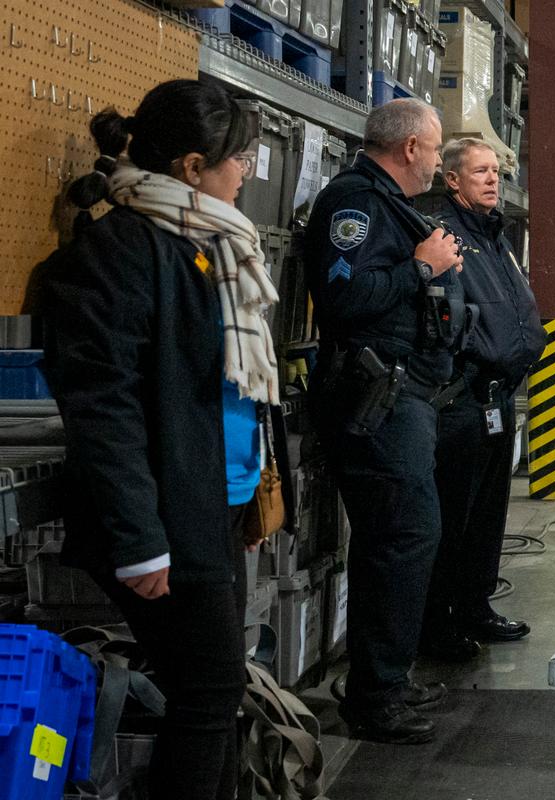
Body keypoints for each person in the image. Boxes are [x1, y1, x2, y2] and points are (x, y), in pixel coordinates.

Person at [40, 79, 277, 800]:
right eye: (239, 157)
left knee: (216, 685)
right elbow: (103, 405)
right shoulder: (122, 250)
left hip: (212, 503)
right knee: (208, 690)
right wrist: (140, 537)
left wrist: (253, 490)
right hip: (165, 518)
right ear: (192, 167)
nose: (248, 171)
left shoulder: (211, 243)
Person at [304, 98, 465, 744]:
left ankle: (385, 680)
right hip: (375, 400)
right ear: (409, 149)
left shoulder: (390, 205)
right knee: (403, 535)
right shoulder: (358, 205)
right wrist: (422, 266)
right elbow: (344, 298)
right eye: (435, 149)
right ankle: (375, 696)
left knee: (402, 537)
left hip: (403, 399)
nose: (438, 161)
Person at [419, 138, 547, 661]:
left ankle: (476, 606)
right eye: (480, 172)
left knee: (489, 514)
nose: (493, 180)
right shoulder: (442, 231)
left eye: (496, 171)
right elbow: (442, 317)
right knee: (454, 516)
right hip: (462, 396)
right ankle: (440, 623)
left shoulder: (494, 234)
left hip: (498, 396)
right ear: (452, 179)